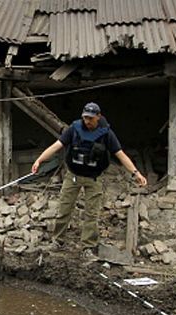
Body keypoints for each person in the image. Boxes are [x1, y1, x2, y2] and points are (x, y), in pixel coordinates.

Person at [30, 102, 147, 255]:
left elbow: (120, 154)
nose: (88, 121)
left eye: (91, 118)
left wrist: (136, 173)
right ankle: (58, 241)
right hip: (73, 175)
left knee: (91, 213)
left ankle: (88, 247)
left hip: (94, 178)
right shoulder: (74, 129)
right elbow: (55, 146)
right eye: (85, 118)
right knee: (64, 209)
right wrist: (39, 160)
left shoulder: (106, 134)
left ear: (98, 117)